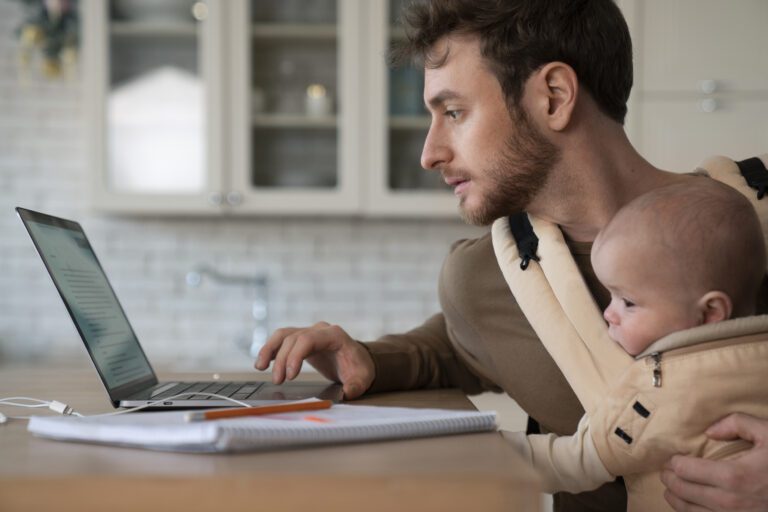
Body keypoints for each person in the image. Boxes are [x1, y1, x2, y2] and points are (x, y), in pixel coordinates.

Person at [255, 1, 768, 510]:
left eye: (454, 112)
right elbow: (459, 347)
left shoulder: (753, 224)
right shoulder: (483, 279)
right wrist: (367, 357)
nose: (429, 153)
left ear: (554, 96)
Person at [503, 179, 768, 510]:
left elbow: (571, 462)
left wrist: (486, 448)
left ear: (710, 312)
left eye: (627, 302)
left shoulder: (655, 394)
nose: (609, 314)